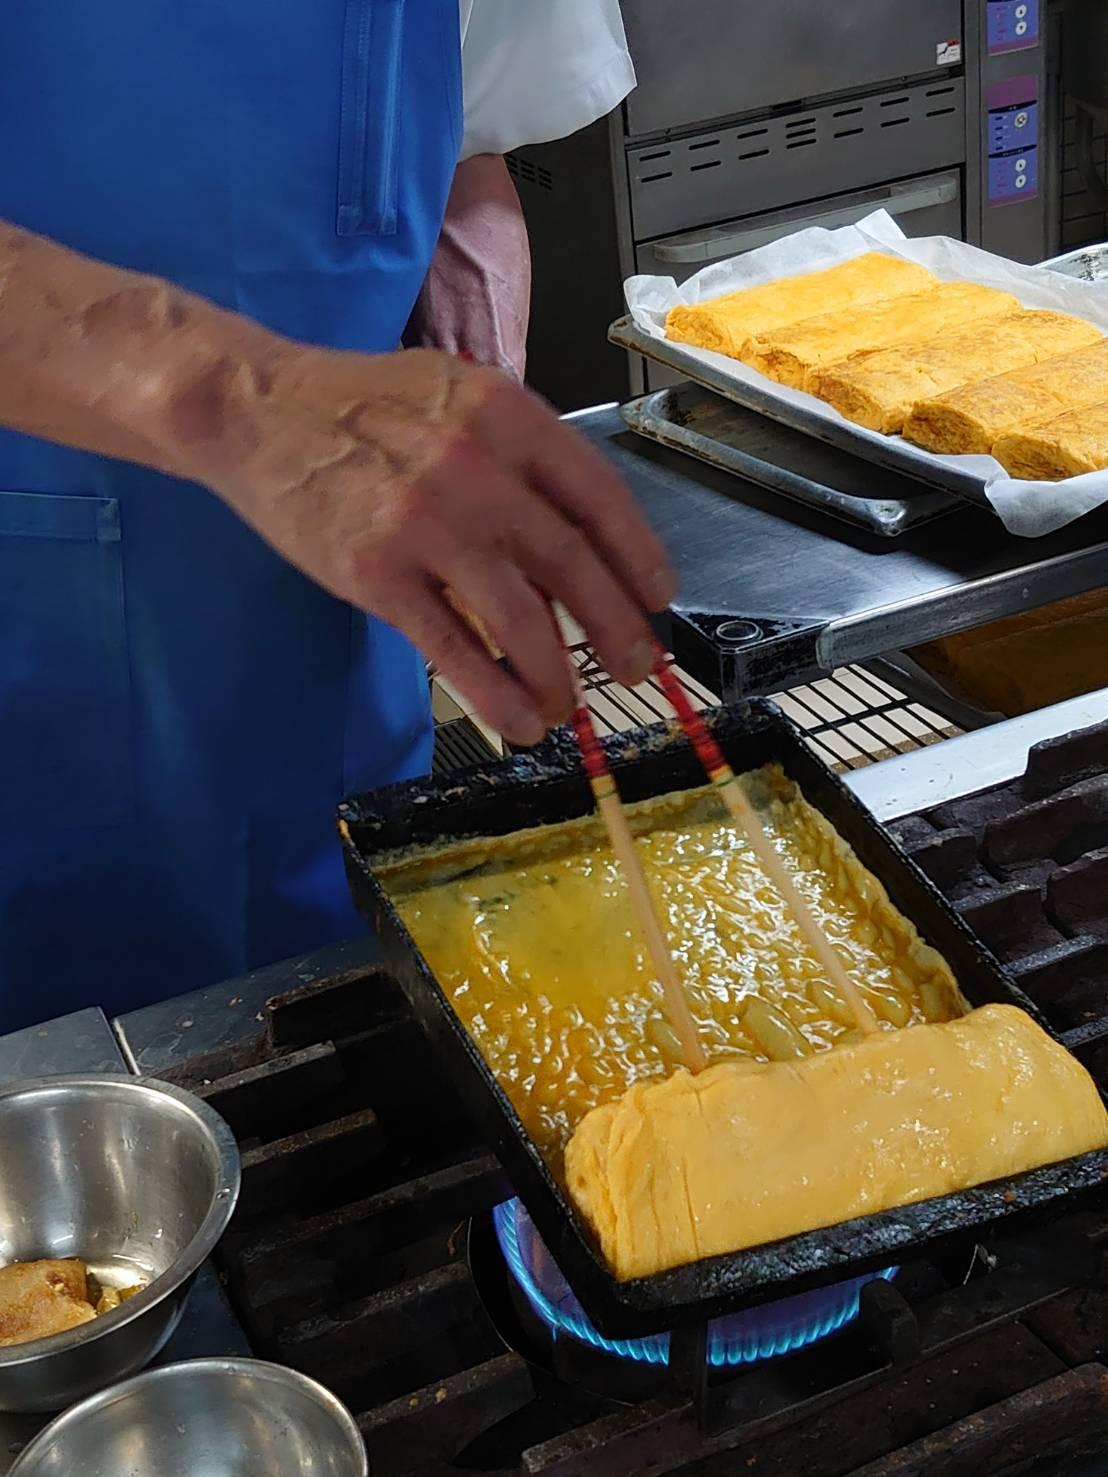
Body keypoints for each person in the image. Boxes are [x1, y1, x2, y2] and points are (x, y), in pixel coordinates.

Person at [0, 2, 673, 1031]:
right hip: (36, 604)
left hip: (328, 624)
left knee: (335, 1014)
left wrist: (477, 394)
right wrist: (238, 399)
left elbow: (464, 148)